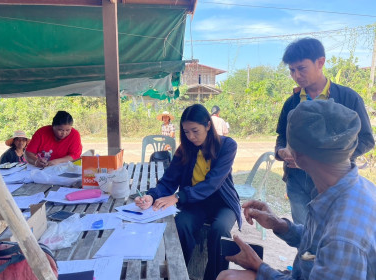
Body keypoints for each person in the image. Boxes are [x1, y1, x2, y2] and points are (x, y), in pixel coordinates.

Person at [217, 99, 376, 280]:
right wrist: (280, 225)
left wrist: (259, 266)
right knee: (227, 276)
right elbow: (317, 246)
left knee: (227, 278)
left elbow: (332, 243)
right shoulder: (351, 188)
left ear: (297, 156)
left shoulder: (344, 239)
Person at [275, 37, 375, 225]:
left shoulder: (347, 98)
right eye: (292, 70)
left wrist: (329, 157)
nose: (296, 75)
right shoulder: (292, 103)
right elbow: (281, 137)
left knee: (333, 231)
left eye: (301, 68)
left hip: (333, 181)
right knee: (304, 236)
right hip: (297, 181)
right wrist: (281, 152)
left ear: (320, 62)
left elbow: (367, 139)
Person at [135, 104, 241, 280]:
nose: (191, 137)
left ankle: (216, 277)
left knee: (220, 230)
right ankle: (178, 272)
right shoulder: (184, 150)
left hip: (223, 203)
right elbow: (169, 180)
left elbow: (212, 183)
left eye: (195, 131)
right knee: (181, 225)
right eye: (186, 132)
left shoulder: (227, 146)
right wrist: (151, 196)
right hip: (196, 204)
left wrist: (177, 197)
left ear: (208, 125)